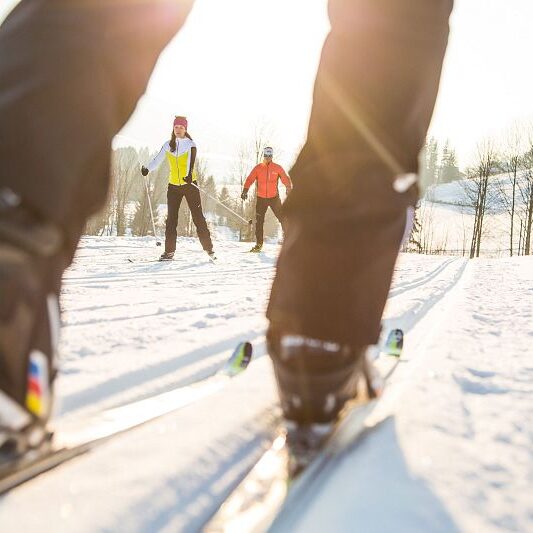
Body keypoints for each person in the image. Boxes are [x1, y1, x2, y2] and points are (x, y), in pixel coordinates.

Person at [0, 0, 453, 457]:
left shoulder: (199, 146)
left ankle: (12, 224)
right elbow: (195, 165)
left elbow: (259, 177)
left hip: (207, 188)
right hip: (211, 191)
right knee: (388, 14)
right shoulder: (197, 150)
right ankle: (324, 323)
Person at [141, 116, 215, 261]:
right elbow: (157, 159)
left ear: (185, 129)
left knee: (197, 217)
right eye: (176, 127)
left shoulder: (190, 144)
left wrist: (188, 175)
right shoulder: (168, 144)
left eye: (181, 127)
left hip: (189, 185)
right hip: (173, 186)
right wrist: (147, 169)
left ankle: (209, 249)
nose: (178, 130)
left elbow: (190, 163)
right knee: (171, 219)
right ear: (173, 128)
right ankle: (169, 252)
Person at [240, 146, 292, 252]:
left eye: (269, 155)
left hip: (274, 198)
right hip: (261, 199)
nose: (268, 157)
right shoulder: (258, 168)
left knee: (282, 218)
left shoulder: (277, 168)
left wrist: (288, 187)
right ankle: (259, 244)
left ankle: (289, 241)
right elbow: (250, 178)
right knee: (259, 222)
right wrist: (245, 190)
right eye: (266, 155)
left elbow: (285, 177)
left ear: (272, 156)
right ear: (264, 155)